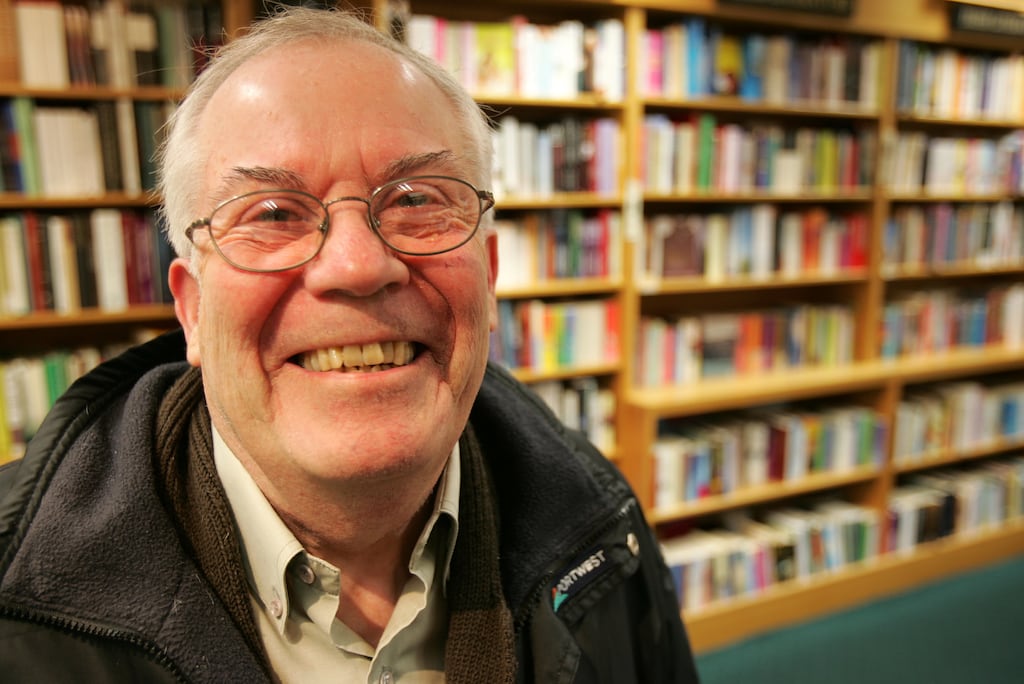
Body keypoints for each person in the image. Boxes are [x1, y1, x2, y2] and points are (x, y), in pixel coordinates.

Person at [0, 7, 700, 683]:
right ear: (192, 308)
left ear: (488, 278)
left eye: (417, 200)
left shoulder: (602, 527)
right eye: (273, 214)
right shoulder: (19, 605)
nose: (357, 266)